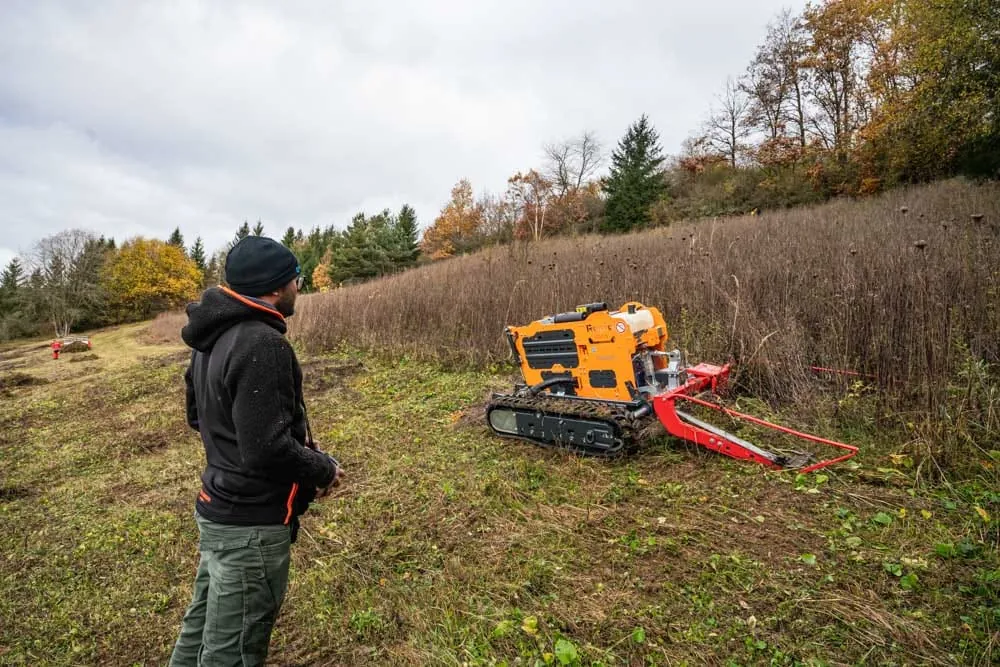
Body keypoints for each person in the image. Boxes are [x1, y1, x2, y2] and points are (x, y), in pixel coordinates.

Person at [170, 235, 345, 666]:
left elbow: (200, 418)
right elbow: (266, 449)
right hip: (251, 525)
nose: (298, 288)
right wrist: (322, 468)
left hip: (219, 509)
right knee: (234, 651)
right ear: (273, 288)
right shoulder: (262, 343)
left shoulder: (211, 338)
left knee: (201, 630)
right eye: (295, 279)